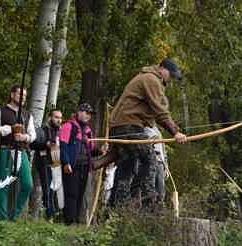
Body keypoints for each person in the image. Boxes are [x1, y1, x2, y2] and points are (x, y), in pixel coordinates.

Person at [109, 58, 187, 209]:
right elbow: (160, 111)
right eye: (170, 75)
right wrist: (175, 132)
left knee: (128, 164)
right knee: (150, 159)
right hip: (129, 126)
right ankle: (147, 204)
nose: (170, 79)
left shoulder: (148, 78)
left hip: (121, 125)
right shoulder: (151, 79)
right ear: (161, 68)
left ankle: (116, 207)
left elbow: (155, 113)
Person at [0, 85, 36, 220]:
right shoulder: (0, 111)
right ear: (12, 94)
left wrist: (24, 137)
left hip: (21, 150)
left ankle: (14, 216)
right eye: (20, 94)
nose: (23, 98)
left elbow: (33, 135)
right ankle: (2, 218)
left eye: (25, 96)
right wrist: (9, 129)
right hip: (5, 150)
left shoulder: (27, 114)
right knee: (3, 185)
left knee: (28, 184)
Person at [60, 103, 101, 224]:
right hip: (72, 165)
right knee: (71, 192)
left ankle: (75, 220)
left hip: (84, 166)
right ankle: (69, 221)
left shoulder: (88, 131)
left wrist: (100, 150)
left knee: (80, 193)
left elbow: (91, 151)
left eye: (90, 114)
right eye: (86, 113)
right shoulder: (68, 126)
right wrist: (66, 163)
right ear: (79, 112)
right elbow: (63, 146)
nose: (88, 116)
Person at [31, 109, 63, 219]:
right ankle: (49, 216)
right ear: (49, 118)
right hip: (44, 162)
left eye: (60, 118)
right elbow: (33, 144)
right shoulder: (41, 130)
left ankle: (53, 215)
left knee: (54, 190)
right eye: (56, 117)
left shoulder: (60, 132)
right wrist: (46, 144)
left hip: (57, 163)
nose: (59, 120)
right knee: (47, 190)